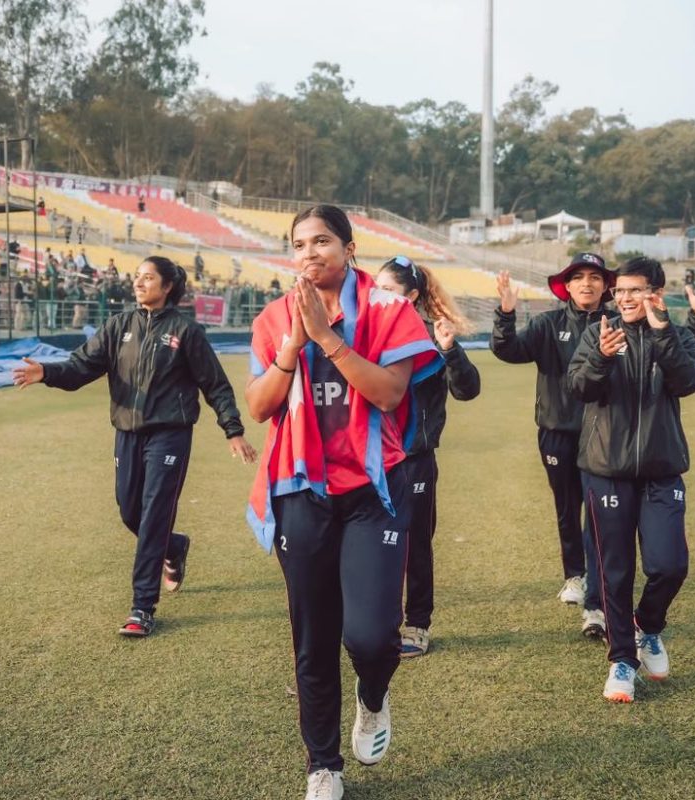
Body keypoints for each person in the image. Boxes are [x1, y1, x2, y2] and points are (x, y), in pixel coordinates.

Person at [244, 206, 438, 800]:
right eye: (300, 244)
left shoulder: (389, 309)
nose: (310, 253)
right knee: (313, 635)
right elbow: (259, 407)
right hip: (301, 490)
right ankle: (323, 765)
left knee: (372, 637)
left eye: (322, 240)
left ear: (349, 248)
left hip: (373, 491)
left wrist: (325, 338)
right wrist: (292, 344)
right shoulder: (274, 317)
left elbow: (390, 393)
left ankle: (373, 697)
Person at [12, 256, 258, 636]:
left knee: (154, 514)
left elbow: (215, 384)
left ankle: (142, 608)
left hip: (170, 434)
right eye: (137, 277)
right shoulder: (118, 326)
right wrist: (47, 372)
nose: (139, 283)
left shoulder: (186, 331)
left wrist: (233, 430)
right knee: (130, 511)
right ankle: (173, 547)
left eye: (148, 278)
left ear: (168, 286)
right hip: (127, 432)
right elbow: (80, 367)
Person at [566, 256, 695, 703]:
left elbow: (688, 381)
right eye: (620, 290)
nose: (624, 298)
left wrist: (662, 332)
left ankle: (649, 625)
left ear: (655, 294)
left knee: (670, 565)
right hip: (606, 469)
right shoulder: (599, 332)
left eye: (634, 290)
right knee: (615, 571)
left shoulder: (677, 335)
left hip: (662, 469)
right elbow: (579, 387)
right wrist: (602, 358)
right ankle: (622, 660)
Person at [490, 254, 612, 637]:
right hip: (557, 431)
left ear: (605, 285)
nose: (587, 283)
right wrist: (505, 314)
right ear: (568, 286)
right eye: (579, 277)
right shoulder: (548, 324)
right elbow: (509, 350)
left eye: (595, 277)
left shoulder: (616, 324)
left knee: (599, 510)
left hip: (604, 431)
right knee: (567, 507)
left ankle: (599, 580)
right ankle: (575, 575)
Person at [374, 255, 481, 659]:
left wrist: (450, 350)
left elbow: (468, 390)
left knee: (414, 544)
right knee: (370, 543)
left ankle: (417, 624)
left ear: (412, 295)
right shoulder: (364, 334)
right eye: (376, 289)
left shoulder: (432, 336)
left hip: (414, 459)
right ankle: (376, 622)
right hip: (368, 459)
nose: (378, 296)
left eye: (388, 290)